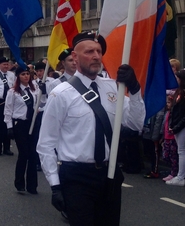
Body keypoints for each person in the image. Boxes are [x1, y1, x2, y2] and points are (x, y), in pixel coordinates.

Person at [37, 31, 145, 225]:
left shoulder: (113, 87)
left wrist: (135, 89)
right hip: (77, 177)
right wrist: (55, 185)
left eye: (98, 51)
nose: (96, 56)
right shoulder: (61, 94)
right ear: (75, 58)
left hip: (109, 173)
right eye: (89, 51)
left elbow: (135, 124)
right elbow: (45, 144)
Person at [5, 66, 40, 194]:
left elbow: (39, 104)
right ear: (18, 77)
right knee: (24, 153)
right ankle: (19, 183)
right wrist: (9, 127)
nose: (26, 76)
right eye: (23, 74)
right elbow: (8, 110)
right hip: (20, 124)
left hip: (32, 123)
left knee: (33, 154)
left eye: (27, 74)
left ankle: (32, 185)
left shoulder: (35, 89)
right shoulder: (13, 92)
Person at [165, 70, 185, 187]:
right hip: (178, 124)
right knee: (183, 151)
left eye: (177, 78)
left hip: (184, 125)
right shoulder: (179, 92)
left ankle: (181, 176)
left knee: (182, 151)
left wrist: (177, 127)